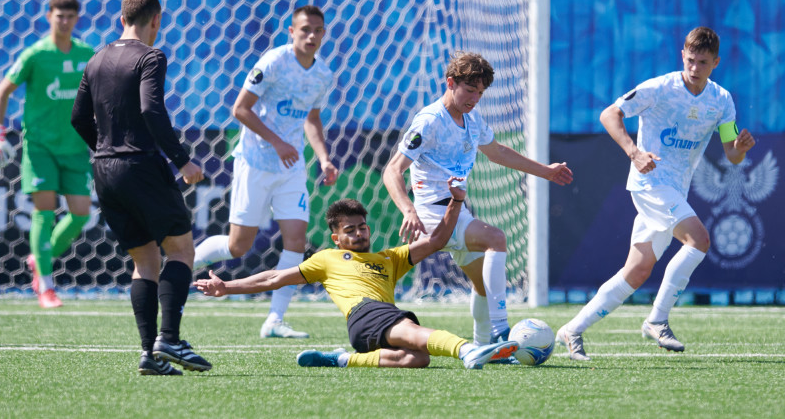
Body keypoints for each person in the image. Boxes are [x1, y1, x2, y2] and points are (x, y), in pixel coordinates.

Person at [556, 27, 756, 361]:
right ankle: (657, 319)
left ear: (716, 63)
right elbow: (610, 114)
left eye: (702, 62)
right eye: (690, 60)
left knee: (638, 270)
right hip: (649, 183)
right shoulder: (660, 88)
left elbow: (731, 155)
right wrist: (634, 152)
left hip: (675, 189)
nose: (694, 68)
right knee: (699, 240)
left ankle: (572, 330)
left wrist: (740, 148)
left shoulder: (721, 101)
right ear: (682, 55)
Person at [195, 177, 519, 369]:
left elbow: (437, 240)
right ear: (337, 238)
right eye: (350, 230)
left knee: (417, 359)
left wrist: (456, 202)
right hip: (366, 314)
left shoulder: (389, 258)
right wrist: (227, 286)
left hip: (374, 321)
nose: (359, 233)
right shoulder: (327, 259)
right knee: (413, 332)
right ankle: (468, 350)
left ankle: (340, 360)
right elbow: (273, 278)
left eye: (362, 227)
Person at [382, 51, 573, 357]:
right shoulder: (430, 120)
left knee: (484, 284)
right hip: (434, 213)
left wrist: (545, 171)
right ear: (450, 83)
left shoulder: (472, 119)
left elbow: (497, 152)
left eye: (480, 93)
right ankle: (500, 330)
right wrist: (408, 210)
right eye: (469, 90)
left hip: (457, 211)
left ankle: (484, 347)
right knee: (496, 238)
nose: (474, 99)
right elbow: (393, 169)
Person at [71, 0, 211, 376]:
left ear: (121, 19)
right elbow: (152, 108)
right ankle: (170, 338)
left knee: (145, 260)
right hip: (140, 166)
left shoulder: (97, 58)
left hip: (105, 171)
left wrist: (104, 149)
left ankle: (150, 354)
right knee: (182, 251)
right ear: (156, 21)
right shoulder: (152, 56)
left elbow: (79, 119)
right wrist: (182, 161)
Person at [192, 5, 338, 339]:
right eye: (305, 30)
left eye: (318, 30)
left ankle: (275, 320)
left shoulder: (323, 74)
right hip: (255, 162)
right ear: (291, 31)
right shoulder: (273, 62)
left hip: (291, 167)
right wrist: (277, 142)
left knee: (296, 242)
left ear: (324, 34)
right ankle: (180, 266)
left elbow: (312, 119)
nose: (311, 36)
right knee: (238, 246)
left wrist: (324, 157)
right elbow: (240, 108)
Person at [0, 0, 94, 308]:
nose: (64, 21)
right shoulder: (35, 54)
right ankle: (46, 286)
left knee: (80, 214)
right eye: (59, 15)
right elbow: (3, 89)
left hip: (75, 147)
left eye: (70, 16)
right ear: (48, 16)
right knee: (43, 213)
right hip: (40, 148)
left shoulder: (87, 54)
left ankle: (40, 257)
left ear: (77, 19)